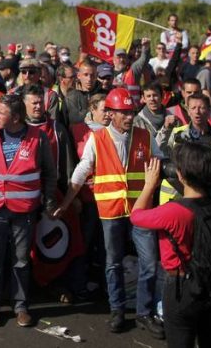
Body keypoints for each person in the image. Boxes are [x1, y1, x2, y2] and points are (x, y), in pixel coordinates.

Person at [54, 87, 164, 338]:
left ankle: (145, 313)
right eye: (123, 112)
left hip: (140, 210)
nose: (128, 117)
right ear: (111, 114)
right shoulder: (98, 139)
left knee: (149, 263)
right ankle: (117, 310)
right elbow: (82, 171)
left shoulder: (145, 137)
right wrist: (67, 202)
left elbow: (159, 164)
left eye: (130, 112)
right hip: (111, 211)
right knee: (112, 263)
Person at [0, 94, 57, 328]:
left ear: (15, 117)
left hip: (24, 212)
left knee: (21, 261)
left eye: (0, 113)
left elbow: (50, 173)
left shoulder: (39, 138)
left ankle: (21, 306)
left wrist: (49, 203)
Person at [132, 142, 211, 348]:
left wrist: (149, 185)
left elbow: (137, 216)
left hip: (180, 288)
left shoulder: (174, 212)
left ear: (181, 176)